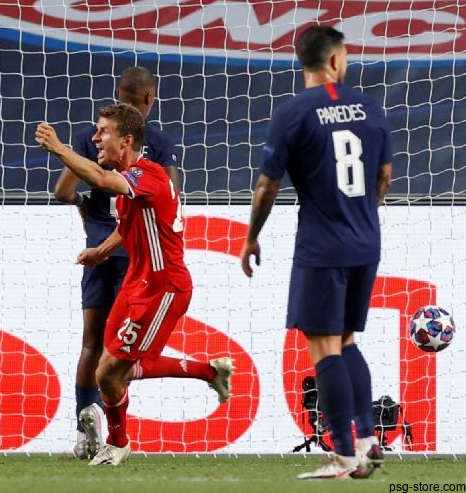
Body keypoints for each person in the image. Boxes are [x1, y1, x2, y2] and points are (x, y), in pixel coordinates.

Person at [37, 106, 232, 466]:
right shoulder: (132, 184)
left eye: (103, 132)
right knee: (105, 370)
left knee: (114, 371)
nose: (96, 138)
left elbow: (98, 179)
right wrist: (100, 251)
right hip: (136, 285)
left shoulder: (148, 175)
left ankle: (120, 441)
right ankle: (206, 374)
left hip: (164, 288)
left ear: (126, 141)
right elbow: (127, 230)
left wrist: (60, 149)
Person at [240, 25, 393, 480]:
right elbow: (383, 177)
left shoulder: (293, 113)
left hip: (321, 246)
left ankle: (345, 455)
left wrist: (252, 236)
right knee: (346, 340)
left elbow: (268, 184)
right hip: (367, 241)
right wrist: (362, 212)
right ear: (333, 61)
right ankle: (367, 440)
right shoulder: (370, 106)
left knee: (322, 346)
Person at [53, 67, 180, 459]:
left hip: (98, 248)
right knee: (121, 356)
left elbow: (63, 191)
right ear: (149, 100)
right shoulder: (156, 142)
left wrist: (85, 212)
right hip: (137, 259)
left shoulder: (87, 139)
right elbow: (170, 197)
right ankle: (117, 433)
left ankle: (83, 431)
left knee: (91, 345)